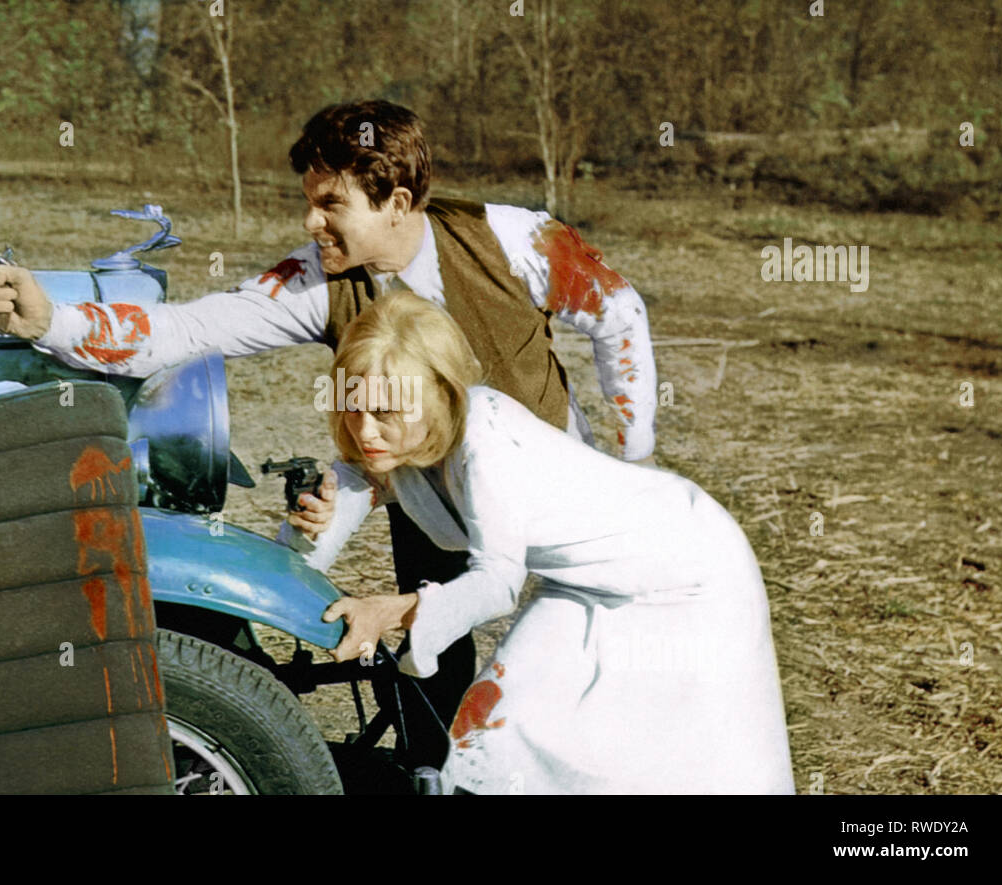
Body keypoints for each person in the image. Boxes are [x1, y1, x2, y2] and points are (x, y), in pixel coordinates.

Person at [0, 99, 659, 768]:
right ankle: (431, 775)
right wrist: (49, 321)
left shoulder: (510, 237)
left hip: (557, 489)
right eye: (310, 200)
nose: (311, 220)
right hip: (427, 493)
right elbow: (187, 329)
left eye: (332, 205)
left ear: (397, 201)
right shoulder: (315, 281)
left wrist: (633, 462)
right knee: (432, 658)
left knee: (585, 664)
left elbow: (620, 313)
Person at [293, 292, 795, 794]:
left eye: (385, 411)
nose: (365, 430)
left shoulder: (486, 437)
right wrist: (308, 524)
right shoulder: (387, 448)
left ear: (440, 394)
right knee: (508, 723)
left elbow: (497, 584)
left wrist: (389, 611)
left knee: (681, 752)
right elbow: (299, 557)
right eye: (353, 408)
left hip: (685, 566)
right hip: (585, 582)